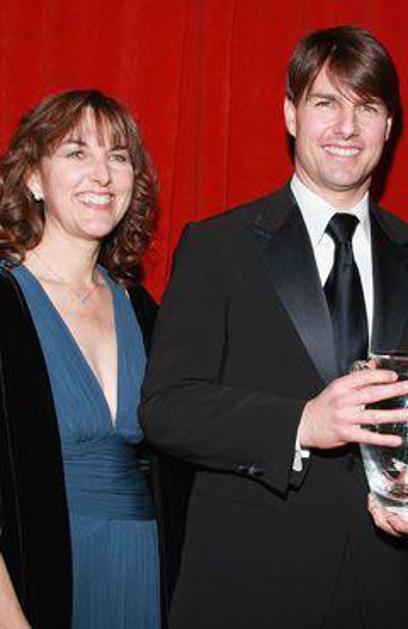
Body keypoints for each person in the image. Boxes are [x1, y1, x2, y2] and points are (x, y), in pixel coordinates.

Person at [140, 25, 408, 629]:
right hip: (254, 581)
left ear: (389, 126)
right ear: (291, 114)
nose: (346, 126)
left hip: (391, 582)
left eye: (367, 107)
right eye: (326, 102)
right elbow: (166, 406)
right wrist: (301, 424)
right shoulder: (217, 247)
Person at [0, 90, 160, 629]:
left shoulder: (142, 311)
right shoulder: (5, 303)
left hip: (143, 571)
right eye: (76, 152)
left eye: (118, 156)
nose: (102, 174)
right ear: (33, 177)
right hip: (39, 579)